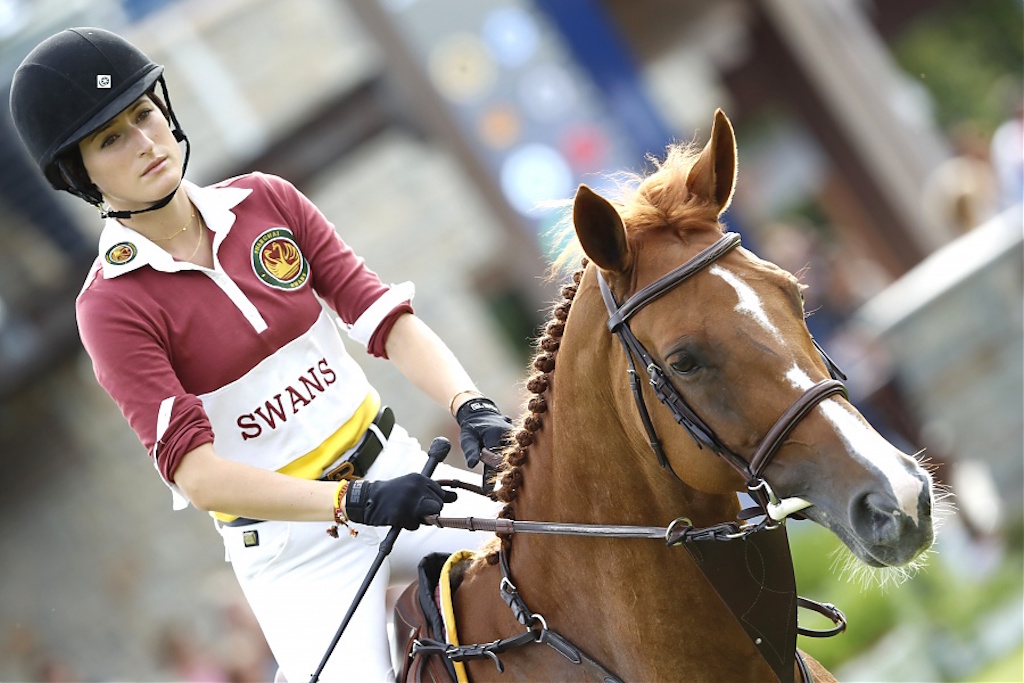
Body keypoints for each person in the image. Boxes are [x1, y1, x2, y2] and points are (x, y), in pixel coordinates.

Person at [9, 27, 512, 682]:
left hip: (394, 466)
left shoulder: (266, 200)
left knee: (578, 558)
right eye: (111, 138)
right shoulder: (108, 307)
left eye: (144, 114)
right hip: (296, 550)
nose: (146, 142)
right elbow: (197, 475)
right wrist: (349, 501)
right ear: (78, 174)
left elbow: (382, 316)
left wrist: (471, 403)